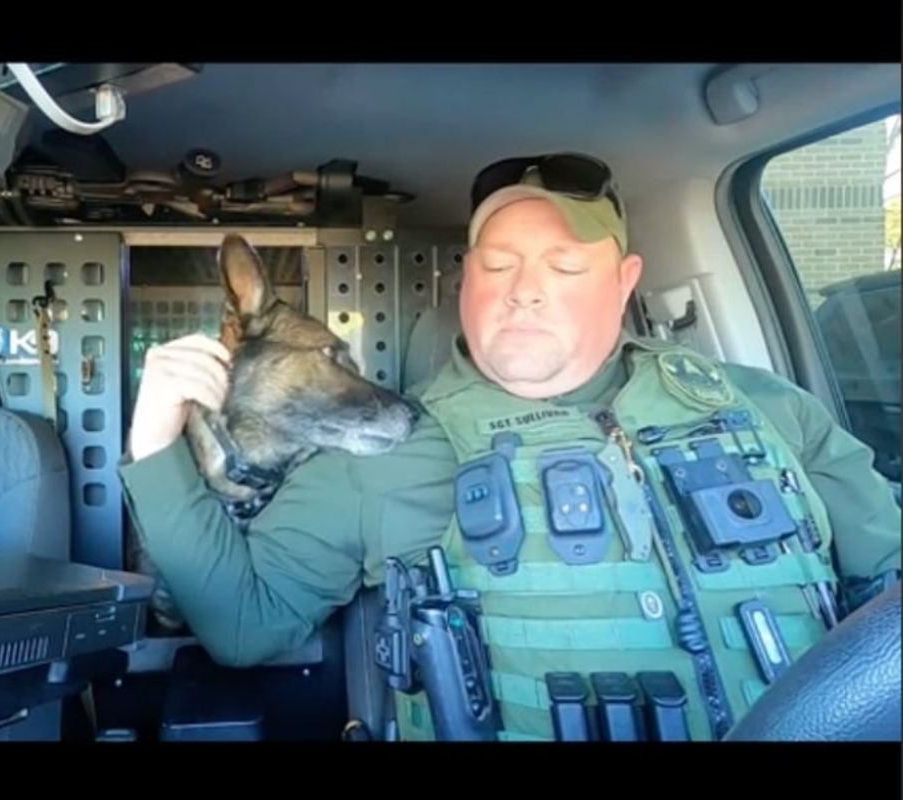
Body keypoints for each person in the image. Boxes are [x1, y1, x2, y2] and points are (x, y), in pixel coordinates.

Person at [118, 152, 901, 741]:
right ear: (465, 282)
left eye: (564, 264)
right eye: (498, 264)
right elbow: (245, 626)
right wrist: (155, 441)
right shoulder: (386, 452)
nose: (525, 288)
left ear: (625, 281)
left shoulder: (764, 407)